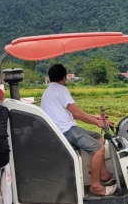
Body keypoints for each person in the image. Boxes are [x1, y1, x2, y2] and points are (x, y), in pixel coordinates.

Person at [41, 64, 116, 196]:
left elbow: (70, 112)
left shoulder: (48, 92)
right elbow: (77, 114)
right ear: (64, 78)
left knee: (98, 138)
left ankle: (103, 174)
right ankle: (96, 186)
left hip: (61, 129)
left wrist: (95, 117)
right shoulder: (61, 90)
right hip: (66, 130)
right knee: (99, 149)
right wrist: (97, 122)